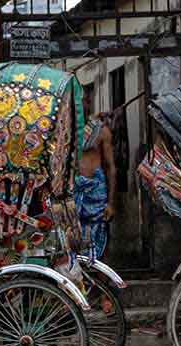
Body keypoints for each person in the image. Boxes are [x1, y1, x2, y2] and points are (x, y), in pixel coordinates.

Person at [75, 93, 116, 260]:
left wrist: (111, 203)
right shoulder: (65, 130)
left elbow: (110, 167)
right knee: (72, 237)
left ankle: (101, 280)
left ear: (88, 102)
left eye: (82, 100)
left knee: (99, 236)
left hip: (96, 193)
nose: (79, 105)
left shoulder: (101, 130)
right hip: (74, 193)